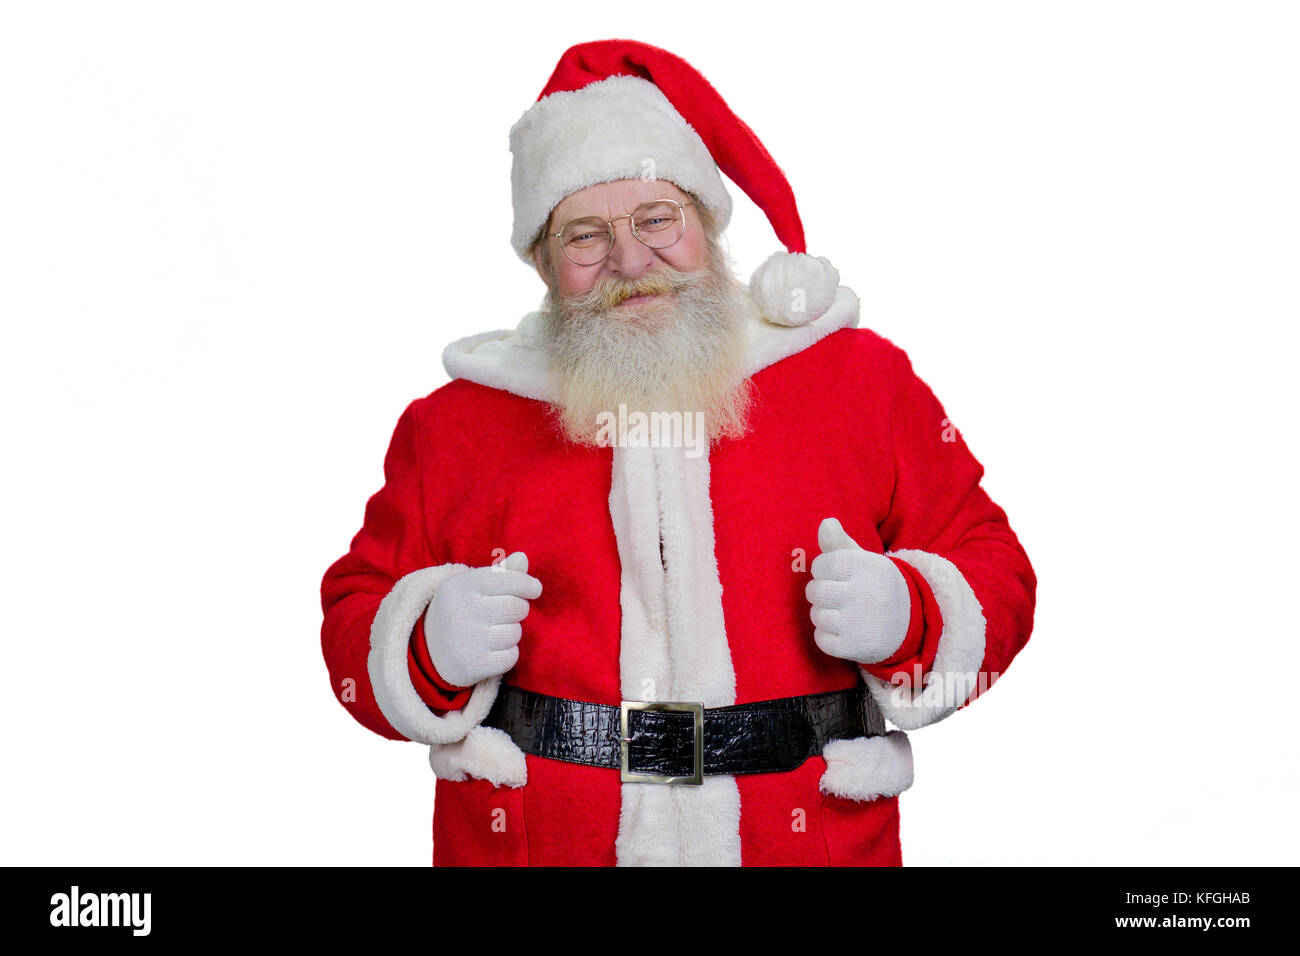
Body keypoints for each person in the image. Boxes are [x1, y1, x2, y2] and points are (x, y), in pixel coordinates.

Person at [319, 39, 1037, 866]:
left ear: (705, 219)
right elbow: (351, 619)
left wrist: (908, 613)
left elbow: (997, 567)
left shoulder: (854, 380)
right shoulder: (457, 425)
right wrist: (426, 643)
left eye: (656, 219)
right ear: (545, 265)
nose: (630, 260)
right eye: (585, 236)